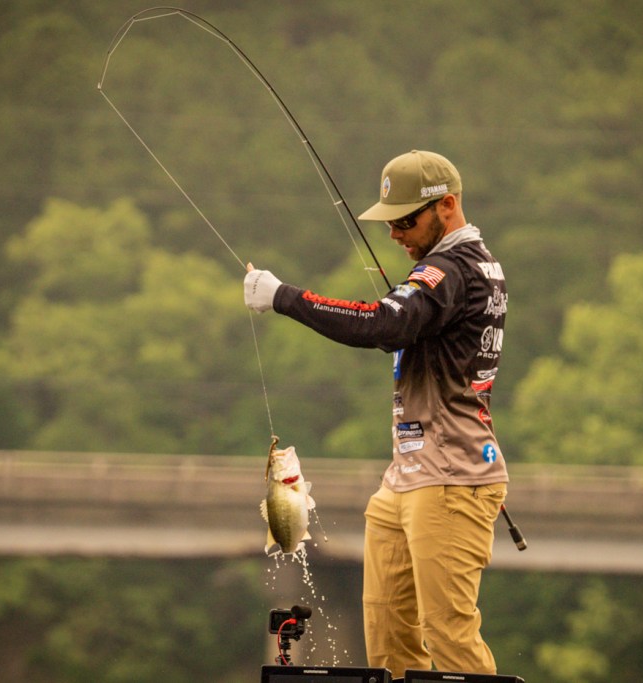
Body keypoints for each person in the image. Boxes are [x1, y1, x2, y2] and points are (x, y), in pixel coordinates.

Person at [244, 150, 509, 677]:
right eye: (390, 222)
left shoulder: (453, 270)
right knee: (388, 637)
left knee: (449, 635)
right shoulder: (452, 269)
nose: (394, 233)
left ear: (447, 205)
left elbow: (380, 324)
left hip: (449, 479)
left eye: (405, 221)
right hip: (407, 479)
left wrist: (283, 297)